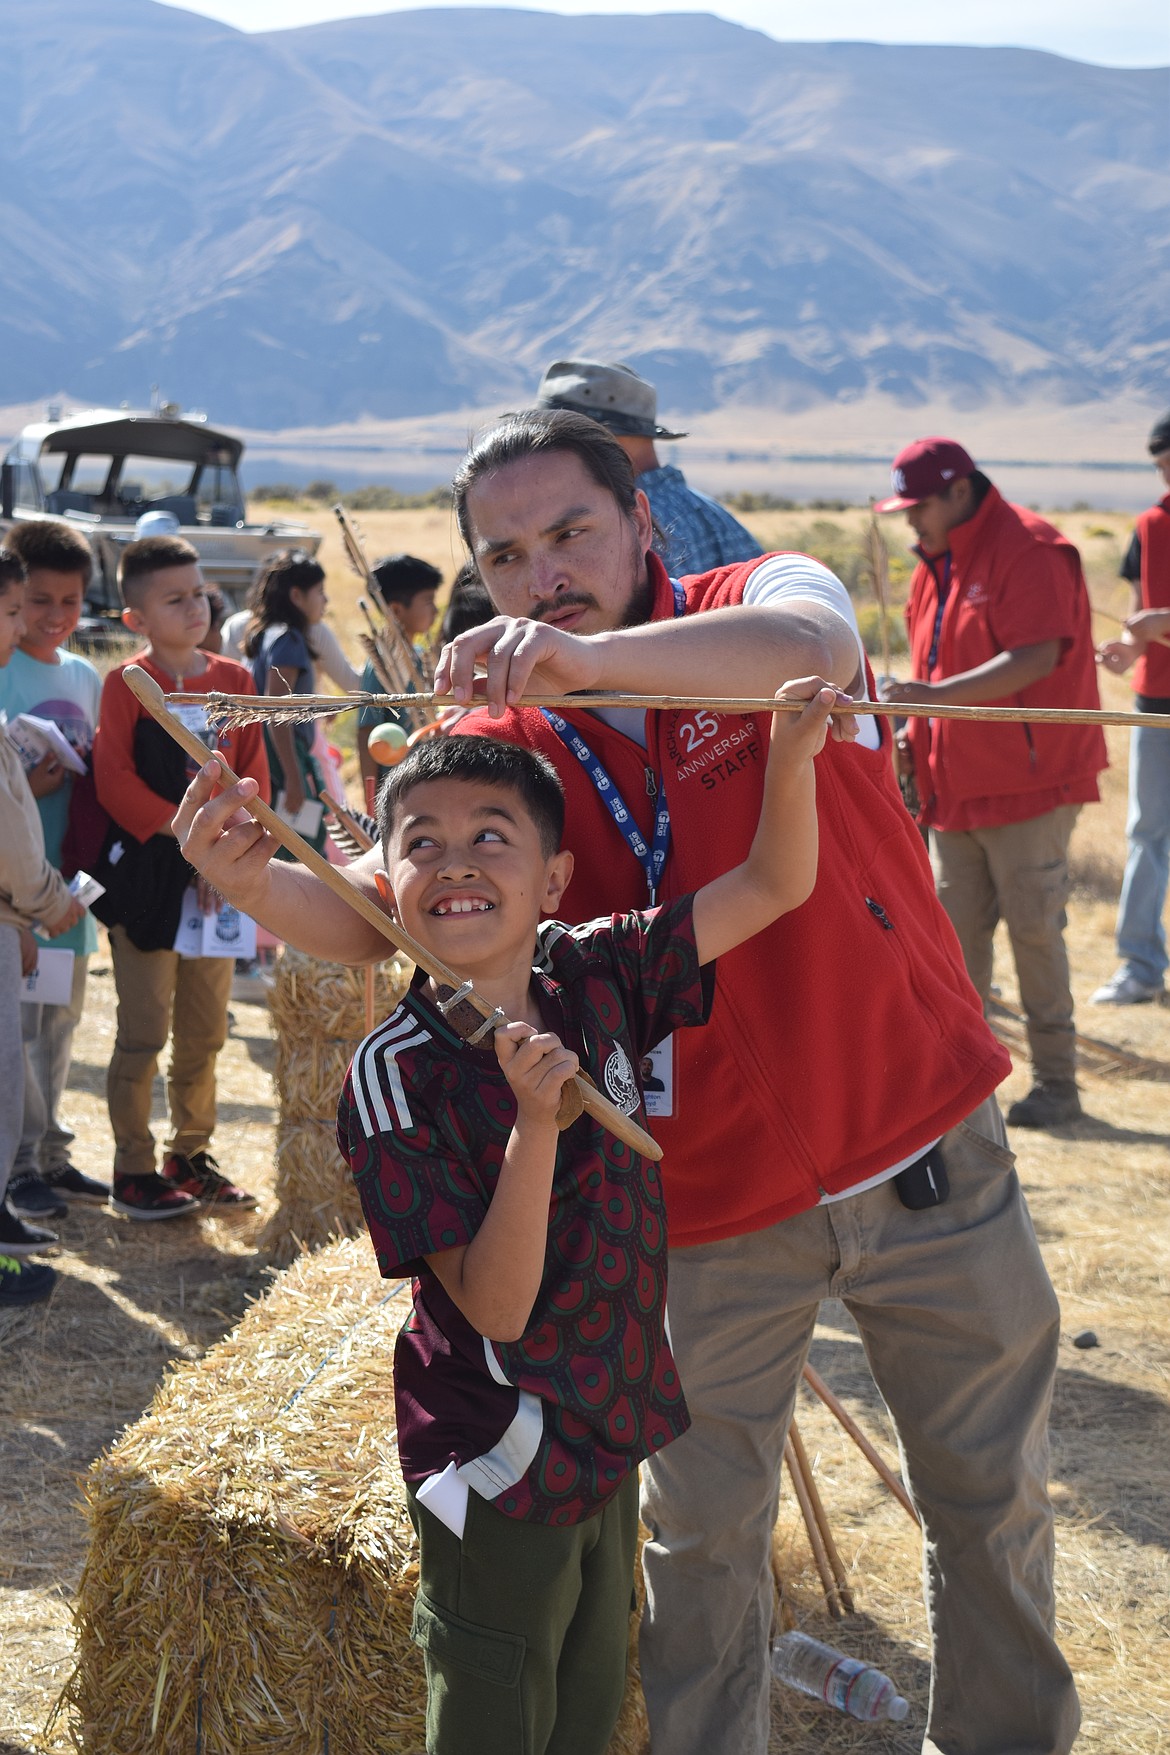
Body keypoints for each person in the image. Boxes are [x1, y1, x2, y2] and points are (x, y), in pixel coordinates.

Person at [175, 410, 1078, 1755]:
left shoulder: (754, 599)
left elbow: (814, 648)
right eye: (506, 553)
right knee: (704, 1535)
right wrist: (256, 879)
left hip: (916, 1131)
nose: (542, 573)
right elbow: (391, 911)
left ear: (641, 520)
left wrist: (590, 663)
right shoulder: (505, 731)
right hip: (698, 1193)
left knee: (986, 1496)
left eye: (571, 532)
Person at [337, 698, 832, 1755]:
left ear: (554, 879)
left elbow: (776, 884)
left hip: (609, 1416)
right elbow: (499, 1306)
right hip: (503, 1447)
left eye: (490, 837)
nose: (456, 862)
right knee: (497, 1712)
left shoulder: (593, 971)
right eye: (421, 843)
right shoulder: (396, 1072)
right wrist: (534, 1122)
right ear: (386, 885)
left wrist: (792, 756)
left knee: (588, 1699)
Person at [878, 435, 1107, 1130]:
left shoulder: (1030, 547)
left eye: (919, 506)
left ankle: (1059, 1086)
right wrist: (915, 729)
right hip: (954, 784)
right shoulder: (933, 563)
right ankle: (964, 1091)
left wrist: (929, 696)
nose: (910, 520)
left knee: (1034, 932)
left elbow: (1036, 655)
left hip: (1028, 783)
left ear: (958, 491)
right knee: (955, 940)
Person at [92, 535, 268, 1219]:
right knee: (143, 1030)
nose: (195, 606)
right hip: (151, 876)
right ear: (136, 618)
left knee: (205, 1029)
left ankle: (190, 1155)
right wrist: (193, 837)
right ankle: (132, 1167)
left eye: (200, 593)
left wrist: (228, 855)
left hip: (218, 877)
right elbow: (114, 783)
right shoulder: (126, 683)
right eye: (175, 598)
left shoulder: (236, 678)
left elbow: (256, 771)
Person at [0, 520, 108, 1218]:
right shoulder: (5, 665)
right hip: (20, 894)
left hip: (67, 892)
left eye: (70, 601)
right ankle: (19, 1164)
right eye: (35, 601)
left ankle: (51, 1153)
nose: (52, 617)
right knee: (19, 1032)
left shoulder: (84, 675)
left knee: (59, 1024)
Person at [534, 358, 762, 576]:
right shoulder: (711, 512)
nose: (540, 457)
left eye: (556, 441)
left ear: (601, 438)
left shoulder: (624, 522)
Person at [1092, 408, 1170, 1005]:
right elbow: (1142, 609)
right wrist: (1127, 646)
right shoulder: (1149, 524)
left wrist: (1162, 624)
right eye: (1161, 470)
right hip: (1156, 700)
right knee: (1147, 832)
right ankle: (1140, 967)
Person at [243, 550, 331, 853]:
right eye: (319, 592)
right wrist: (293, 776)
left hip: (272, 752)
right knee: (302, 843)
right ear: (297, 595)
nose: (325, 600)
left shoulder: (269, 634)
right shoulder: (288, 640)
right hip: (284, 752)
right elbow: (276, 711)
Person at [355, 553, 441, 783]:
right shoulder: (381, 665)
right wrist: (370, 797)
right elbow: (367, 732)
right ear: (396, 610)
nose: (436, 610)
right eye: (428, 601)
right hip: (396, 784)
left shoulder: (422, 657)